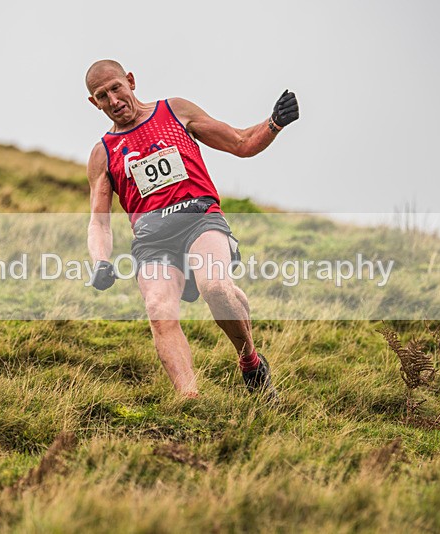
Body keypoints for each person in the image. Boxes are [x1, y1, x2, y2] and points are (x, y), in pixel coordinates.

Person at [84, 59, 298, 400]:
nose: (112, 100)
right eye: (101, 96)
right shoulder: (103, 153)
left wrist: (274, 123)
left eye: (115, 88)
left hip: (200, 220)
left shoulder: (175, 111)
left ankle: (251, 363)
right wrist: (100, 261)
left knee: (215, 286)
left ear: (131, 81)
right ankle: (190, 400)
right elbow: (99, 220)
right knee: (158, 310)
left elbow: (241, 142)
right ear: (94, 103)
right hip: (152, 241)